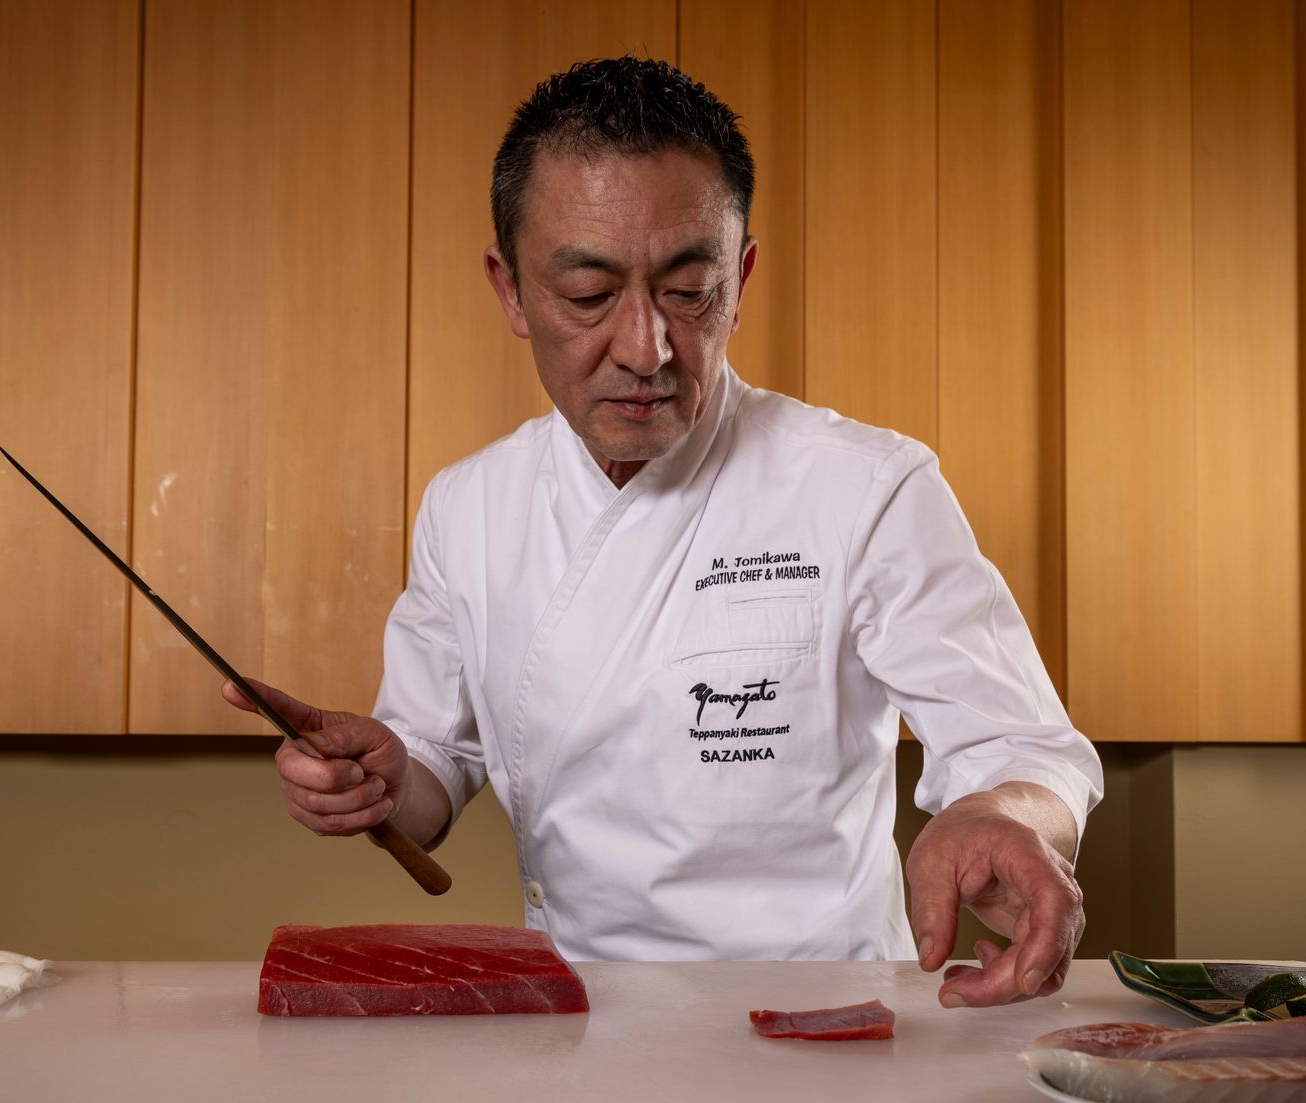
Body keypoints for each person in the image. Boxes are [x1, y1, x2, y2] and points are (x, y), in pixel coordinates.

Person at [225, 56, 1102, 1008]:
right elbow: (436, 765)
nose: (645, 349)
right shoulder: (468, 506)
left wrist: (1005, 813)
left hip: (822, 1021)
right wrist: (384, 782)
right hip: (577, 1019)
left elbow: (1020, 744)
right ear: (512, 292)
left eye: (689, 290)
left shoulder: (868, 487)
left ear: (742, 275)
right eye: (590, 295)